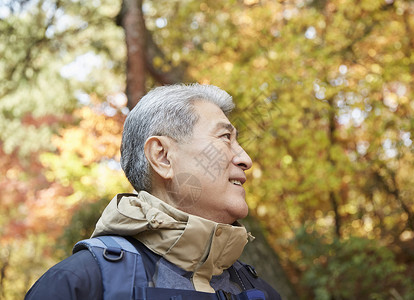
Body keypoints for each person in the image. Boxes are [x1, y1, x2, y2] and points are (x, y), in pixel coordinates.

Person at [25, 84, 281, 299]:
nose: (245, 159)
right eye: (225, 137)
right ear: (162, 157)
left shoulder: (259, 290)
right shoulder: (78, 284)